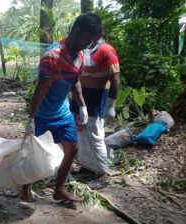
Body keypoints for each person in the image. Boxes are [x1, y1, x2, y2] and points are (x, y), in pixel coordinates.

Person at [21, 13, 104, 202]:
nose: (89, 45)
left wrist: (82, 106)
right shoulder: (53, 55)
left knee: (72, 148)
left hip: (63, 113)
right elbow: (40, 90)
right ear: (77, 31)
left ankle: (59, 189)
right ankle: (25, 188)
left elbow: (75, 81)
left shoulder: (80, 55)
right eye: (88, 39)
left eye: (93, 42)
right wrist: (31, 118)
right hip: (42, 115)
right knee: (32, 153)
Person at [70, 22, 120, 190]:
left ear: (95, 34)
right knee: (80, 135)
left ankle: (103, 175)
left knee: (95, 137)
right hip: (80, 100)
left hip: (95, 100)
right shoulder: (85, 49)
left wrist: (111, 104)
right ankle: (86, 165)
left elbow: (115, 79)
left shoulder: (106, 50)